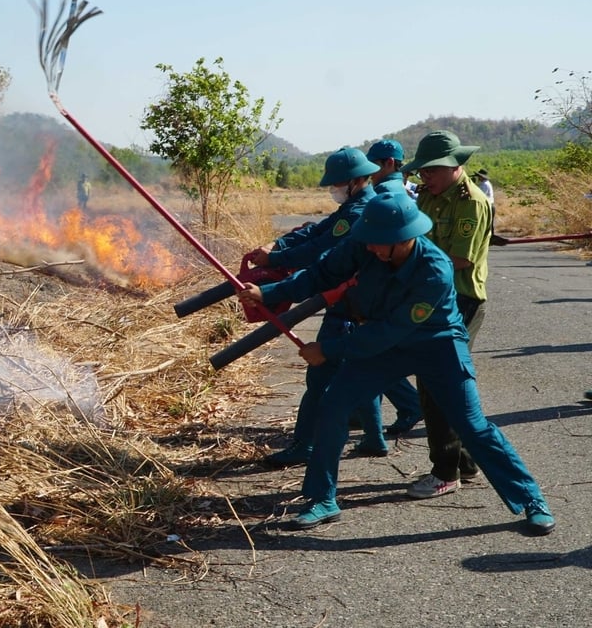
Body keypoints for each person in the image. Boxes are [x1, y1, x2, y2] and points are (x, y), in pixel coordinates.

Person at [237, 192, 555, 535]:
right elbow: (322, 273)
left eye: (379, 244)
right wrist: (269, 292)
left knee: (471, 425)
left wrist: (328, 349)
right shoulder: (366, 243)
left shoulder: (435, 267)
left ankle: (530, 500)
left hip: (437, 345)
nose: (371, 249)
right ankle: (322, 498)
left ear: (403, 239)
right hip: (384, 344)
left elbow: (392, 330)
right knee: (332, 405)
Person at [248, 147, 386, 465]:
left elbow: (318, 251)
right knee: (362, 371)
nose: (332, 190)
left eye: (336, 184)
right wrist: (278, 245)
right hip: (358, 303)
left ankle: (305, 446)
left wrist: (274, 270)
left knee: (319, 376)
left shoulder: (358, 212)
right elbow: (318, 230)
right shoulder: (356, 204)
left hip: (348, 304)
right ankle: (375, 438)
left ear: (354, 181)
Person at [402, 131, 491, 499]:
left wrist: (406, 265)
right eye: (421, 173)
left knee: (438, 382)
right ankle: (465, 461)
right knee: (444, 382)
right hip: (431, 298)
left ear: (454, 166)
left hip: (462, 300)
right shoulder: (427, 196)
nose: (424, 179)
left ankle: (445, 471)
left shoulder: (472, 203)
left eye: (430, 172)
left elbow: (459, 259)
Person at [364, 140, 424, 435]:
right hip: (387, 280)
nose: (369, 169)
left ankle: (410, 404)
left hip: (386, 282)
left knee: (375, 351)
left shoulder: (388, 194)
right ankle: (362, 414)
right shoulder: (398, 190)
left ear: (389, 163)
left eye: (374, 163)